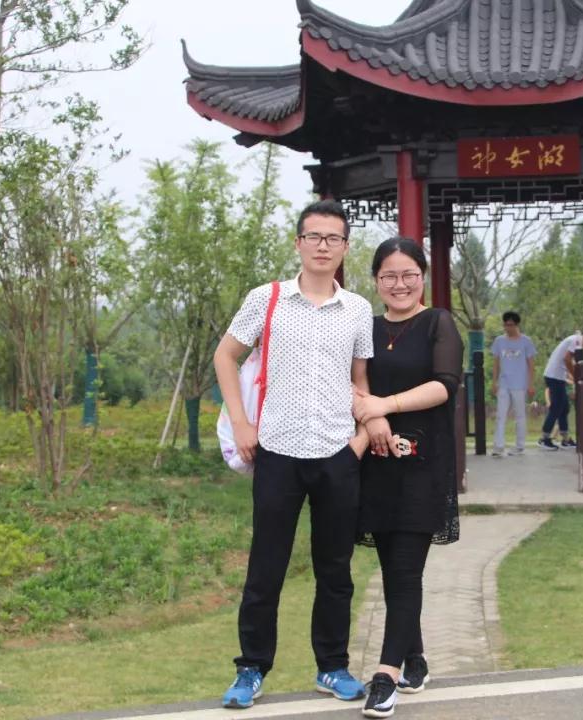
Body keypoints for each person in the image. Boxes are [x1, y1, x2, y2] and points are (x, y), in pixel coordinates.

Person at [212, 200, 374, 709]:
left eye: (333, 238)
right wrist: (242, 422)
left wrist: (359, 442)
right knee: (266, 568)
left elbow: (360, 382)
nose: (323, 246)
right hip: (277, 451)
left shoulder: (358, 310)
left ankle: (333, 666)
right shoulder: (267, 299)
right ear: (298, 242)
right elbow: (225, 355)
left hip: (336, 453)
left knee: (336, 570)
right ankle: (251, 669)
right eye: (314, 236)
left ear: (345, 247)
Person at [351, 238, 464, 718]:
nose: (399, 284)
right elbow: (352, 380)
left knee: (404, 571)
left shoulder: (439, 322)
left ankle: (386, 676)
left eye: (409, 275)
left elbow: (444, 385)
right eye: (389, 276)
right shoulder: (366, 326)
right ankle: (415, 659)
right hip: (376, 461)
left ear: (423, 277)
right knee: (394, 570)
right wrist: (373, 416)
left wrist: (385, 405)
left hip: (422, 463)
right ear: (377, 280)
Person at [490, 311, 536, 458]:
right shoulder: (499, 341)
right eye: (505, 325)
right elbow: (496, 363)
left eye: (510, 325)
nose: (507, 328)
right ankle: (498, 446)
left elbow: (531, 365)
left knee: (520, 416)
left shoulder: (526, 342)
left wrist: (531, 384)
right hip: (504, 383)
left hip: (520, 384)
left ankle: (520, 446)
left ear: (516, 325)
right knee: (501, 415)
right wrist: (494, 382)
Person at [537, 332, 582, 450]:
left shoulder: (575, 340)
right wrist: (576, 377)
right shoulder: (577, 340)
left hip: (558, 376)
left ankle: (565, 439)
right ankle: (544, 438)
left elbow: (569, 361)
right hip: (554, 376)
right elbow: (567, 359)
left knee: (564, 408)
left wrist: (572, 375)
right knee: (556, 408)